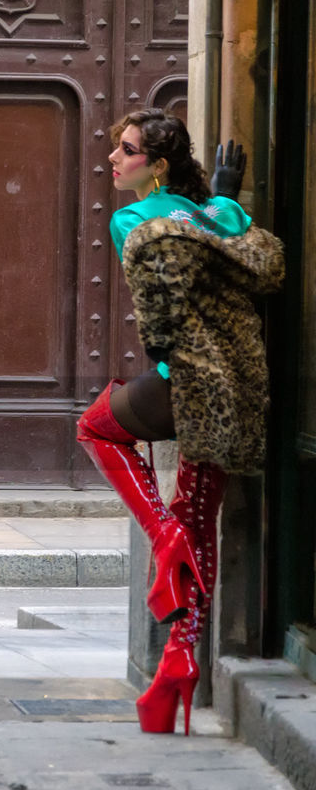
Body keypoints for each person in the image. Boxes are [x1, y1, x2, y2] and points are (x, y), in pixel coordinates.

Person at [76, 109, 284, 735]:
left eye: (128, 150)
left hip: (185, 382)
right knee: (202, 520)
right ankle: (179, 665)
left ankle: (160, 534)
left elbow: (161, 307)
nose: (114, 159)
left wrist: (169, 355)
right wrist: (222, 194)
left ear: (156, 166)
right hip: (241, 386)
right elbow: (222, 242)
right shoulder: (224, 214)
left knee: (96, 427)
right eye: (116, 148)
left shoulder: (132, 220)